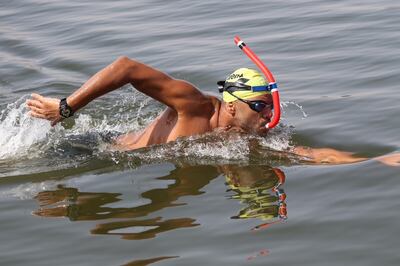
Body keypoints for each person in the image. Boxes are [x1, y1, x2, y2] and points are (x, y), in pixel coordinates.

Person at [26, 56, 400, 166]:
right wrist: (66, 107)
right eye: (259, 108)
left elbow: (309, 154)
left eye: (269, 110)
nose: (268, 119)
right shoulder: (195, 106)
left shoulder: (249, 133)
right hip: (89, 149)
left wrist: (378, 159)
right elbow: (126, 67)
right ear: (233, 105)